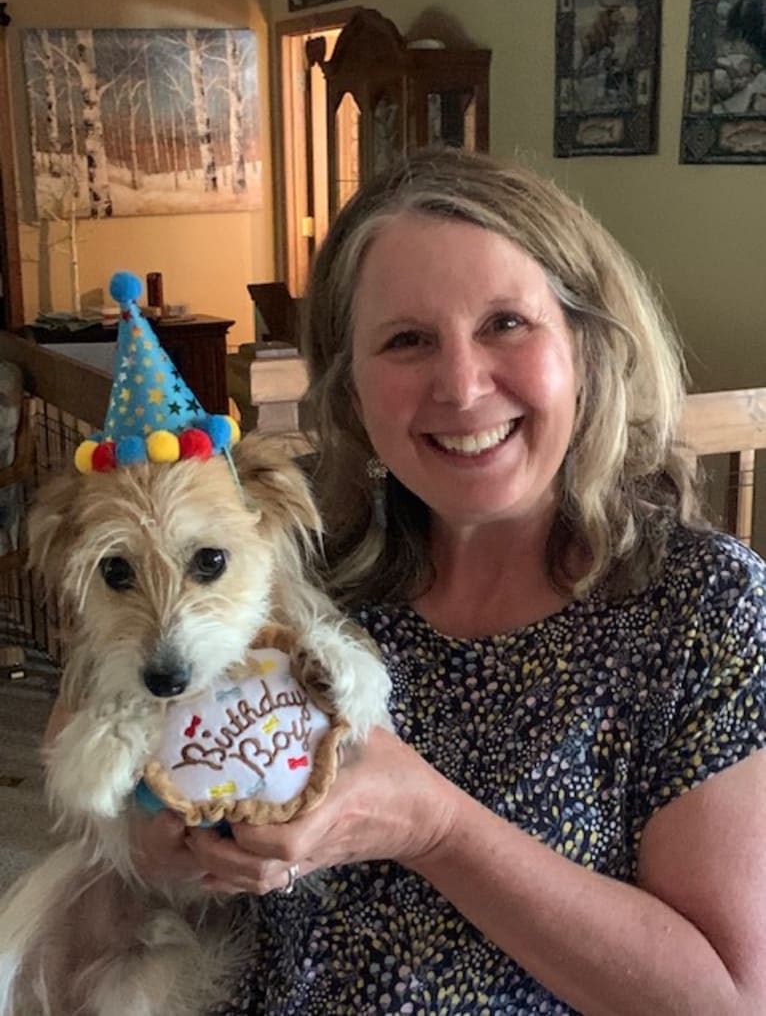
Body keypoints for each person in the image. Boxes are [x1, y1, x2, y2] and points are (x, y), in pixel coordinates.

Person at [53, 147, 766, 1014]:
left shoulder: (704, 608)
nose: (462, 386)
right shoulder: (279, 553)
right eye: (407, 340)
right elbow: (100, 707)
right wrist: (156, 841)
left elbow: (725, 999)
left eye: (506, 322)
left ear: (584, 344)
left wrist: (437, 826)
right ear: (349, 389)